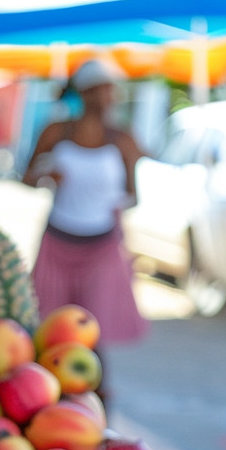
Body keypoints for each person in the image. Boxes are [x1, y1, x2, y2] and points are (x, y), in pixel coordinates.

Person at [22, 58, 148, 387]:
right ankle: (45, 393)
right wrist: (45, 175)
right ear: (86, 93)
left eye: (112, 90)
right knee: (50, 331)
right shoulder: (56, 132)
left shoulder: (122, 138)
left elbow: (133, 196)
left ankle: (96, 399)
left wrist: (111, 203)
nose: (110, 97)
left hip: (101, 245)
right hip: (58, 241)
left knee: (93, 332)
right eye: (103, 89)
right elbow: (26, 177)